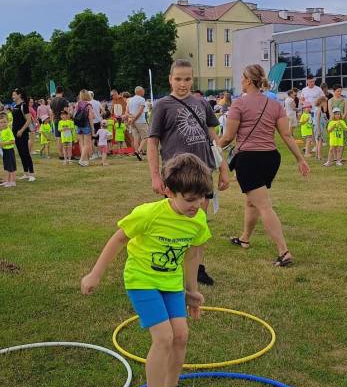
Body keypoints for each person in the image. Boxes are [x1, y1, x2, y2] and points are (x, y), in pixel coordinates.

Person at [81, 153, 211, 387]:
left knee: (181, 335)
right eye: (190, 199)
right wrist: (95, 274)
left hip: (171, 284)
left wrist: (192, 291)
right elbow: (119, 238)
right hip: (142, 280)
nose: (197, 204)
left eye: (201, 198)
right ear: (169, 191)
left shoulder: (198, 220)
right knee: (163, 337)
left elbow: (192, 255)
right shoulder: (149, 214)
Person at [147, 59, 229, 286]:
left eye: (187, 79)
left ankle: (197, 268)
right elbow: (152, 142)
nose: (182, 84)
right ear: (170, 79)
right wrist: (155, 175)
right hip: (176, 174)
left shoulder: (202, 103)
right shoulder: (162, 106)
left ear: (193, 79)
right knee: (173, 222)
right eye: (178, 79)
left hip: (202, 172)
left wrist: (223, 169)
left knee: (198, 222)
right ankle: (170, 265)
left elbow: (214, 138)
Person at [219, 64, 310, 266]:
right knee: (252, 200)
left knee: (263, 205)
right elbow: (286, 135)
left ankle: (284, 252)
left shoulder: (239, 104)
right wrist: (300, 159)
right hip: (271, 158)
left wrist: (210, 147)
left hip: (249, 159)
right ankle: (245, 238)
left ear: (248, 80)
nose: (240, 81)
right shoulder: (275, 105)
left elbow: (227, 137)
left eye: (242, 78)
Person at [11, 89, 35, 181]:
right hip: (15, 132)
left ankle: (32, 174)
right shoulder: (15, 106)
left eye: (14, 95)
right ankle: (26, 173)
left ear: (19, 95)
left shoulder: (23, 105)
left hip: (22, 133)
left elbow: (28, 120)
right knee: (21, 153)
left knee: (26, 153)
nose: (12, 96)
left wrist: (21, 130)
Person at [74, 89, 95, 167]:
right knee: (87, 144)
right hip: (86, 125)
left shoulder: (77, 104)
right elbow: (90, 118)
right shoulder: (89, 105)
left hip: (79, 126)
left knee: (81, 143)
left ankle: (85, 160)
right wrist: (92, 129)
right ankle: (82, 159)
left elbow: (74, 115)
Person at [127, 86, 148, 159]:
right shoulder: (142, 99)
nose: (144, 92)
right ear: (140, 91)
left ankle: (138, 154)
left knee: (136, 138)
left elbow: (126, 112)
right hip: (140, 121)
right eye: (143, 91)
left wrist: (132, 118)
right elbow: (140, 111)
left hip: (132, 121)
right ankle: (138, 151)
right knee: (146, 136)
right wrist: (134, 118)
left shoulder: (130, 100)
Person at [0, 112, 17, 186]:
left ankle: (13, 181)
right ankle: (7, 180)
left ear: (8, 122)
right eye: (1, 122)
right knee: (6, 166)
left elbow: (12, 141)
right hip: (5, 150)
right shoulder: (1, 131)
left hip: (9, 150)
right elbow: (1, 140)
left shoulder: (9, 130)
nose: (3, 124)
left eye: (4, 122)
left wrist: (3, 143)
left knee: (11, 167)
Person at [50, 86, 69, 158]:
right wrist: (69, 118)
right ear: (62, 92)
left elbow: (52, 112)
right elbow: (66, 111)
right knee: (65, 137)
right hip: (63, 120)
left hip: (55, 120)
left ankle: (60, 154)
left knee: (58, 137)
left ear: (56, 92)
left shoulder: (52, 101)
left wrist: (52, 120)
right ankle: (65, 154)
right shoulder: (64, 100)